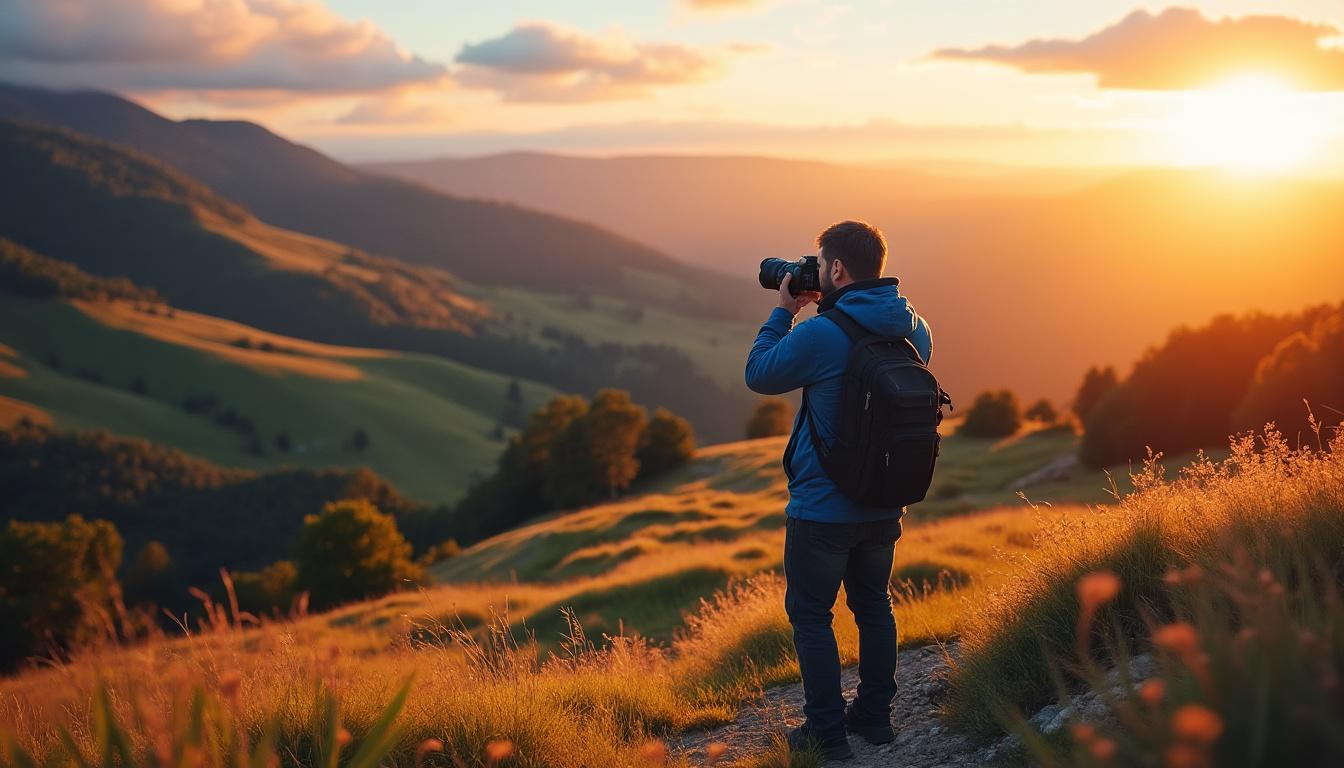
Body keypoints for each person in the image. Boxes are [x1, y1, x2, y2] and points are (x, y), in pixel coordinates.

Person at [744, 220, 933, 760]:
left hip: (822, 510)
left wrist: (786, 310)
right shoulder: (913, 328)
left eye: (822, 264)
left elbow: (759, 373)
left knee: (811, 616)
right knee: (874, 605)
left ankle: (825, 733)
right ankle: (875, 717)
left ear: (838, 270)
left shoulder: (822, 334)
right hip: (883, 501)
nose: (818, 271)